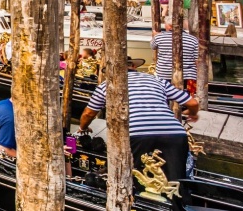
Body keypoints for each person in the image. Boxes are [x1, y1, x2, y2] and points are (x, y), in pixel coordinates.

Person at [79, 56, 199, 184]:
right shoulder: (157, 80)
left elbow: (88, 113)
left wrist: (83, 128)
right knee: (176, 179)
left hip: (136, 134)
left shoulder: (107, 85)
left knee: (137, 177)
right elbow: (192, 103)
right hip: (175, 134)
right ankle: (179, 202)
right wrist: (192, 114)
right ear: (133, 66)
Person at [150, 16, 199, 93]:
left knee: (165, 96)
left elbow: (153, 46)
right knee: (188, 98)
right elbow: (197, 61)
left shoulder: (159, 37)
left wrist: (155, 36)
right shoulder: (193, 39)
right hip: (188, 75)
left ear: (169, 26)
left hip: (164, 75)